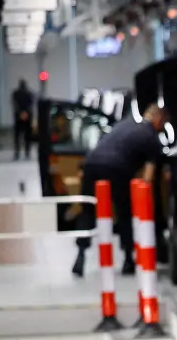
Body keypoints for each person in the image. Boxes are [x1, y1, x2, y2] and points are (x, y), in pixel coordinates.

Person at [71, 103, 168, 278]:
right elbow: (148, 177)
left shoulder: (123, 124)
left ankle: (80, 256)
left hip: (92, 164)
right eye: (163, 123)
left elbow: (102, 145)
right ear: (158, 119)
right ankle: (128, 260)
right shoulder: (151, 137)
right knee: (124, 213)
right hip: (117, 168)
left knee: (87, 211)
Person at [11, 80, 33, 161]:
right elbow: (31, 104)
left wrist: (20, 112)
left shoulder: (15, 93)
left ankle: (17, 153)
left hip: (18, 116)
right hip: (27, 116)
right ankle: (27, 152)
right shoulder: (29, 93)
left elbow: (14, 104)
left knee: (17, 136)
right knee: (27, 136)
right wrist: (25, 112)